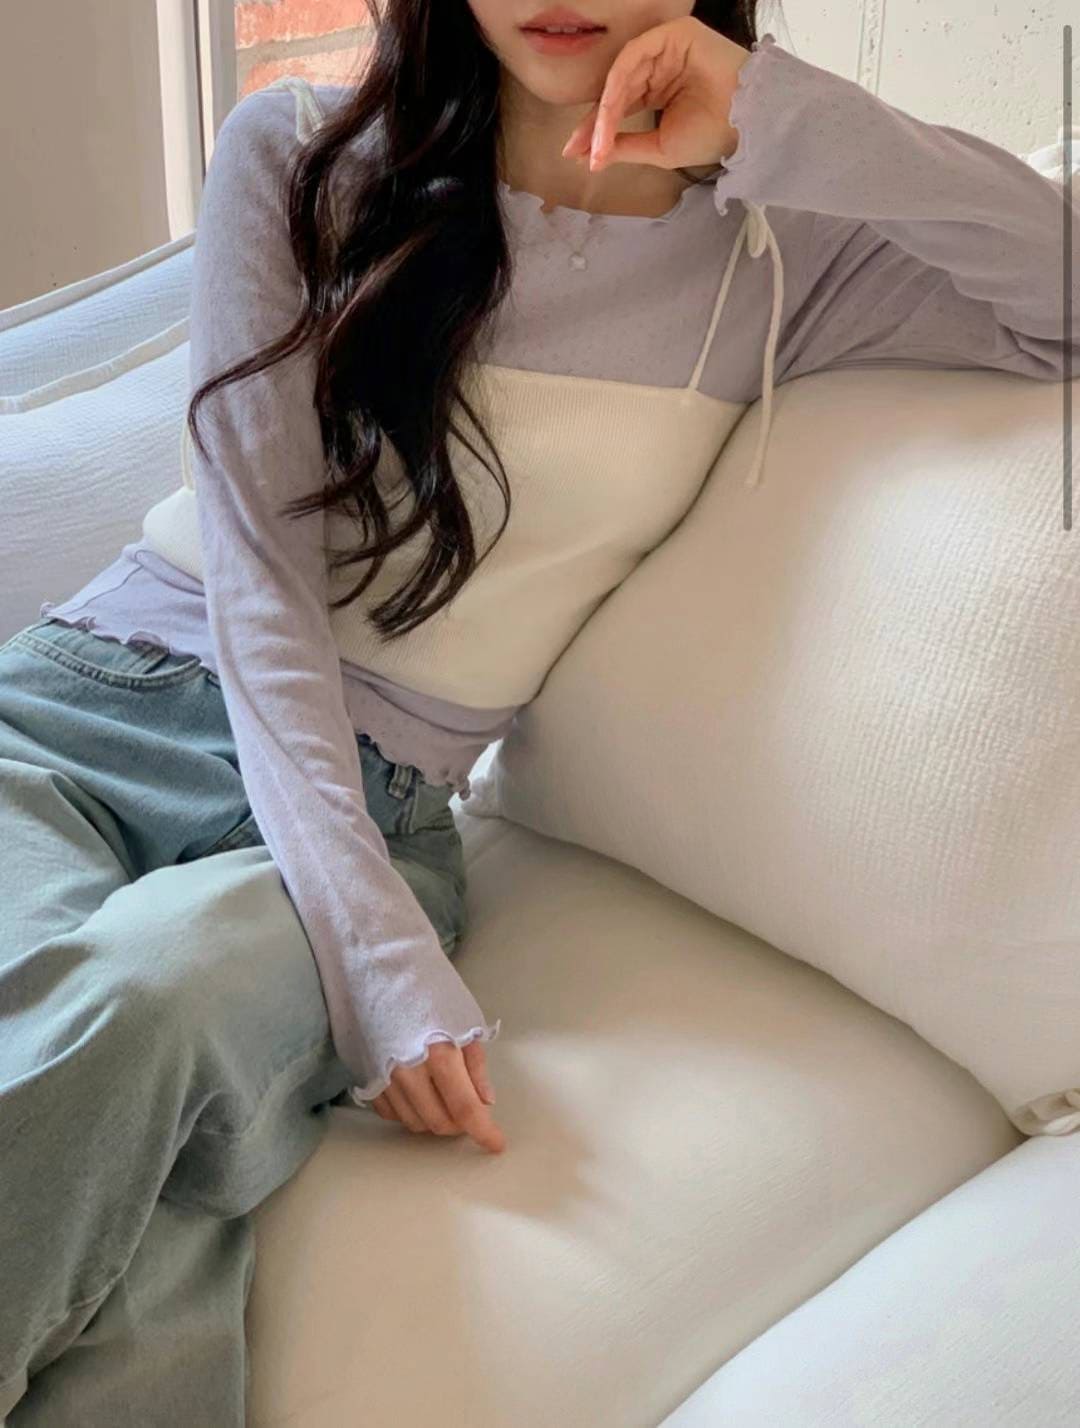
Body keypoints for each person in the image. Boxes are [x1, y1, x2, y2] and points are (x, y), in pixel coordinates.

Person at [0, 1, 1073, 1421]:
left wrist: (781, 112)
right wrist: (372, 946)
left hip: (382, 804)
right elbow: (260, 578)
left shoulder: (782, 257)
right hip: (78, 723)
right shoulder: (299, 156)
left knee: (154, 1003)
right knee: (130, 1185)